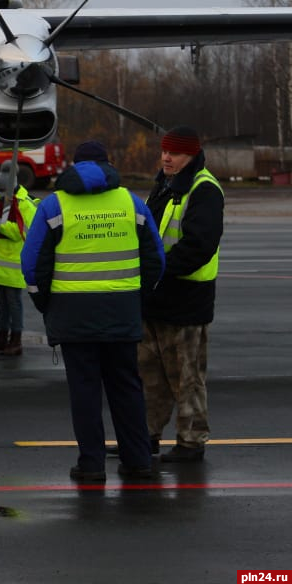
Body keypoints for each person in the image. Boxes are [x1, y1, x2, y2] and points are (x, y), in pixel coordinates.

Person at [21, 140, 165, 483]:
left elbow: (31, 264)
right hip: (122, 312)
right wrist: (136, 298)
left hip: (72, 315)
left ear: (74, 166)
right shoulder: (131, 203)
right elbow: (156, 260)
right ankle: (138, 459)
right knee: (127, 387)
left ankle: (91, 465)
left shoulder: (55, 204)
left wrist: (46, 303)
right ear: (108, 165)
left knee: (84, 392)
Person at [139, 126, 224, 463]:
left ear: (191, 154)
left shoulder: (204, 189)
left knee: (187, 377)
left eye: (174, 153)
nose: (166, 157)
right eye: (164, 151)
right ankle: (143, 438)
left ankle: (191, 443)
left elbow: (199, 246)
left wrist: (157, 268)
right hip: (155, 301)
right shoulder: (163, 184)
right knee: (148, 377)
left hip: (187, 300)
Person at [0, 160, 37, 356]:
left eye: (3, 191)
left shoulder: (25, 205)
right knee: (3, 306)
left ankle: (15, 342)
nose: (0, 194)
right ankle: (1, 340)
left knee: (14, 305)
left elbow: (24, 233)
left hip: (13, 266)